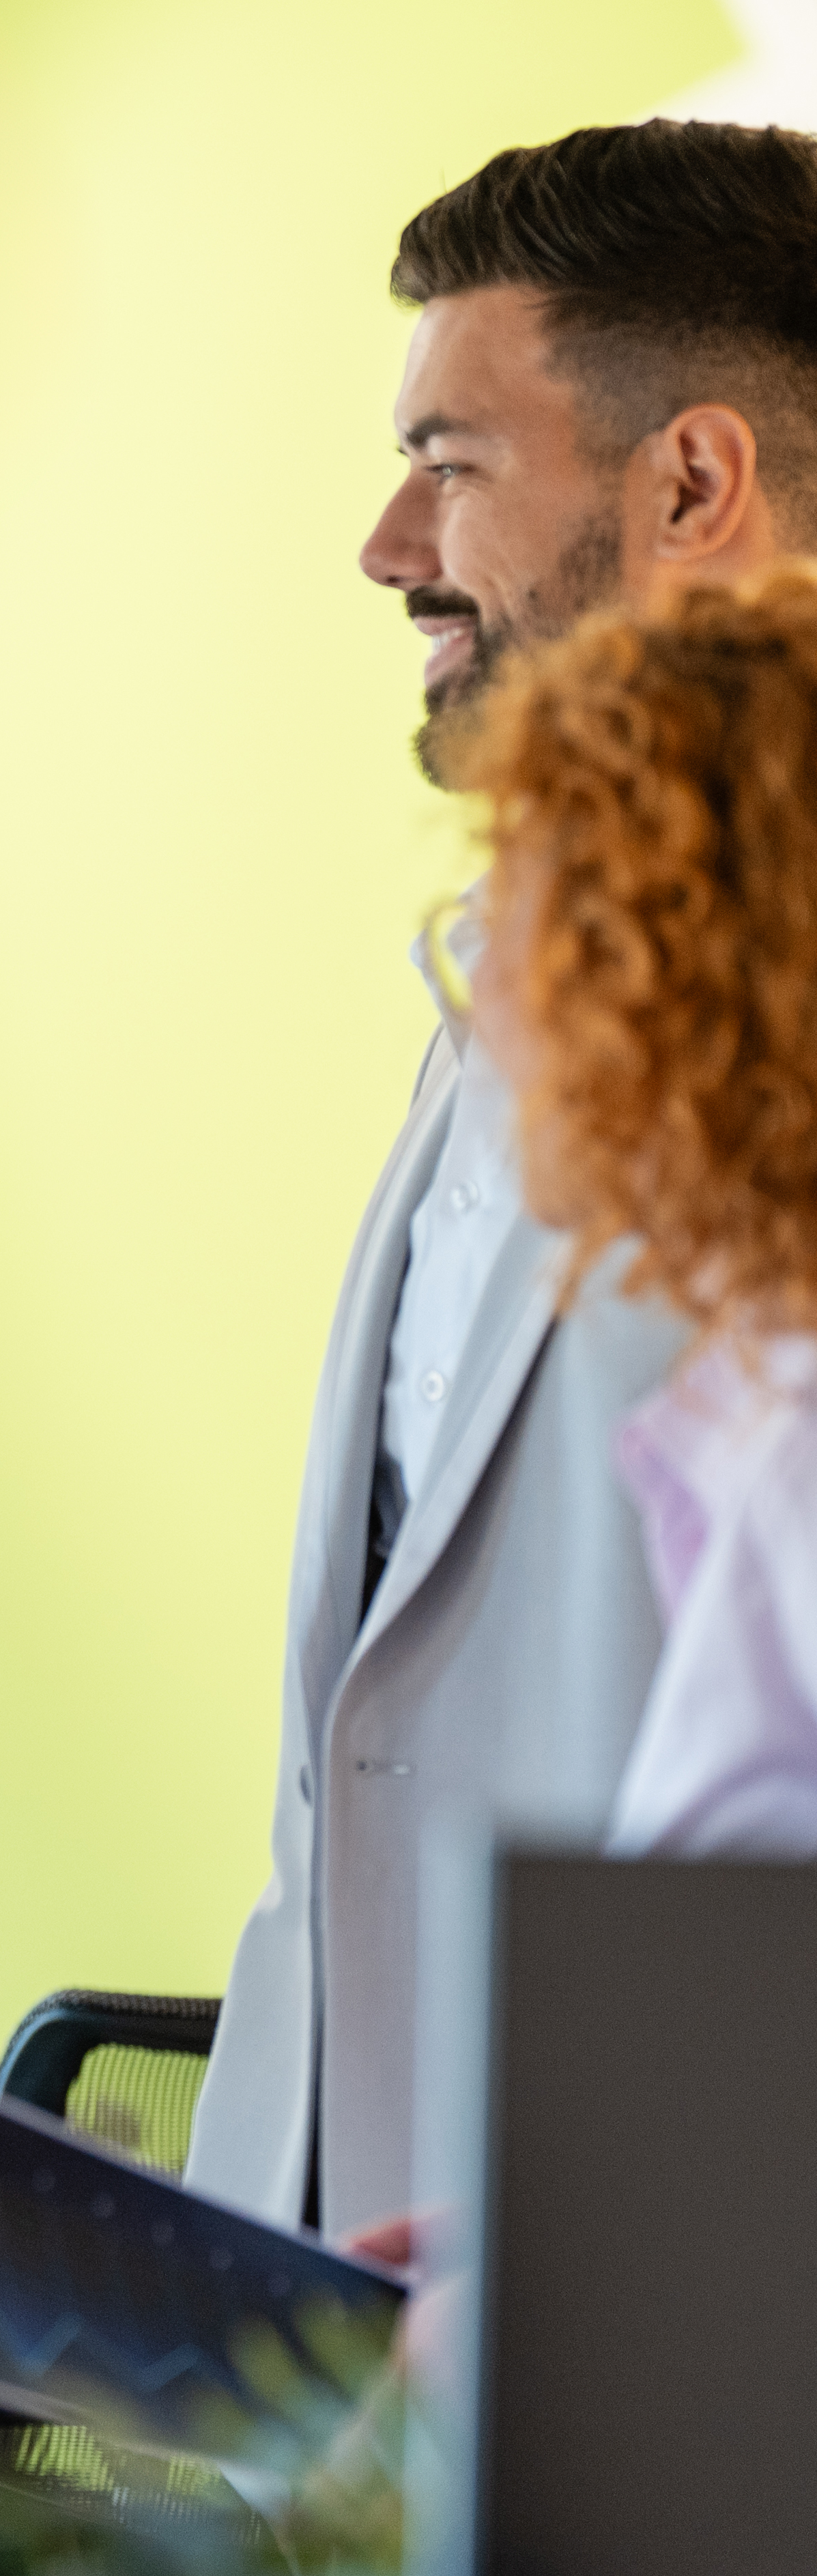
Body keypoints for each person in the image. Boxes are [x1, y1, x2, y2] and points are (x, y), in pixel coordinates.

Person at [187, 120, 816, 2244]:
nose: (387, 540)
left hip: (688, 2292)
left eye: (452, 455)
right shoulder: (549, 960)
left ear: (690, 481)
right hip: (373, 2272)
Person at [452, 569, 817, 1857]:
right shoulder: (744, 1432)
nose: (488, 993)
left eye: (529, 925)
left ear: (684, 970)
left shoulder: (800, 1470)